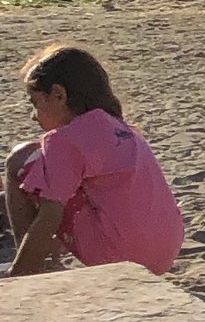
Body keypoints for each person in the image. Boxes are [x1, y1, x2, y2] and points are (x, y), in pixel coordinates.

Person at [6, 44, 186, 278]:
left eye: (35, 102)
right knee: (55, 170)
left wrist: (17, 275)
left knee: (20, 160)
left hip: (117, 257)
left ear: (59, 94)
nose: (33, 115)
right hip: (163, 254)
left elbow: (50, 216)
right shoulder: (119, 126)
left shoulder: (63, 140)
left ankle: (33, 267)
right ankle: (42, 255)